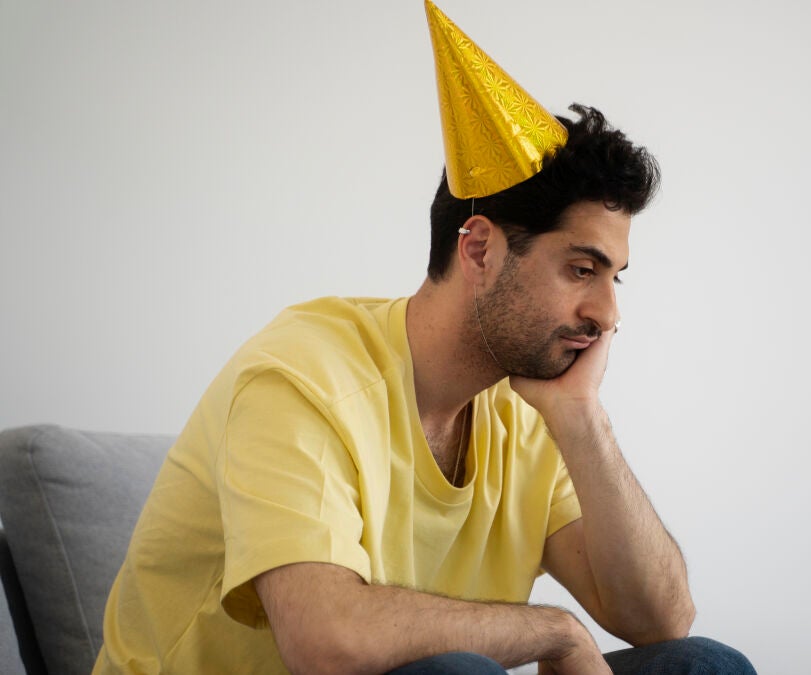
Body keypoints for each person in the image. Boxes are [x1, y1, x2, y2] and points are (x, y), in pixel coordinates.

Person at [93, 3, 755, 674]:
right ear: (480, 250)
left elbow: (661, 620)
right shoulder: (303, 375)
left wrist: (584, 419)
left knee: (703, 664)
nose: (608, 314)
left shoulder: (529, 410)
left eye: (615, 278)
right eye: (582, 270)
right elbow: (326, 641)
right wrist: (556, 631)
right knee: (455, 672)